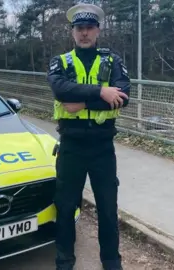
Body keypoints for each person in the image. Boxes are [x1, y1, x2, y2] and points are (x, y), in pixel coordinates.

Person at [46, 2, 131, 270]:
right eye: (79, 28)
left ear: (97, 30)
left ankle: (111, 261)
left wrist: (83, 102)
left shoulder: (112, 60)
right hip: (71, 146)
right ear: (73, 32)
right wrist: (100, 92)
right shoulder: (60, 62)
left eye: (89, 28)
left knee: (107, 207)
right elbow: (60, 90)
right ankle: (64, 260)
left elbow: (123, 97)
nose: (84, 33)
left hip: (102, 146)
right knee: (66, 205)